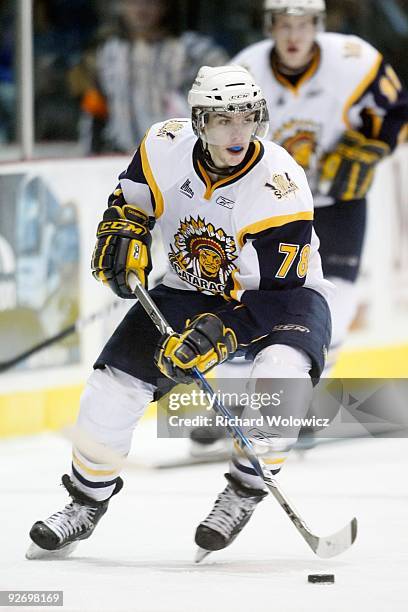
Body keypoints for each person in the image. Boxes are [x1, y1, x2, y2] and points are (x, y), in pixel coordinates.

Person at [26, 65, 332, 560]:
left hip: (280, 297)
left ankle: (244, 489)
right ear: (197, 121)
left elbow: (277, 293)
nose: (238, 131)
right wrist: (124, 233)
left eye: (247, 117)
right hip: (189, 289)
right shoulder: (162, 146)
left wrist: (220, 335)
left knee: (282, 377)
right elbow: (131, 204)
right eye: (221, 119)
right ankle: (85, 504)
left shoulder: (280, 184)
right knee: (111, 388)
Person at [188, 0, 408, 458]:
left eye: (303, 25)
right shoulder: (244, 69)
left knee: (335, 305)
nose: (293, 35)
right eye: (284, 25)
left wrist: (372, 146)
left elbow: (398, 110)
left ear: (318, 26)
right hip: (273, 206)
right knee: (252, 298)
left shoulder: (355, 60)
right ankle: (230, 400)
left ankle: (298, 401)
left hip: (337, 202)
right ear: (270, 26)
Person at [76, 0, 229, 153]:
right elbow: (95, 108)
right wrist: (89, 153)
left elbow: (231, 93)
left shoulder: (195, 50)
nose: (141, 8)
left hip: (180, 153)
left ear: (166, 5)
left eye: (150, 1)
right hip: (122, 156)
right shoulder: (109, 52)